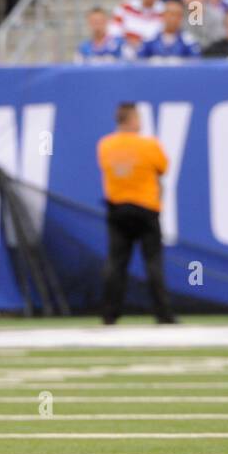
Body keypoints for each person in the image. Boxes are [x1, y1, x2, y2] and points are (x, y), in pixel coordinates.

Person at [96, 102, 176, 325]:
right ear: (131, 119)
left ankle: (109, 314)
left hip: (118, 209)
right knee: (153, 262)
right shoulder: (149, 145)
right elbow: (163, 167)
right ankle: (163, 313)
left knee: (116, 263)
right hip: (146, 209)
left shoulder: (105, 145)